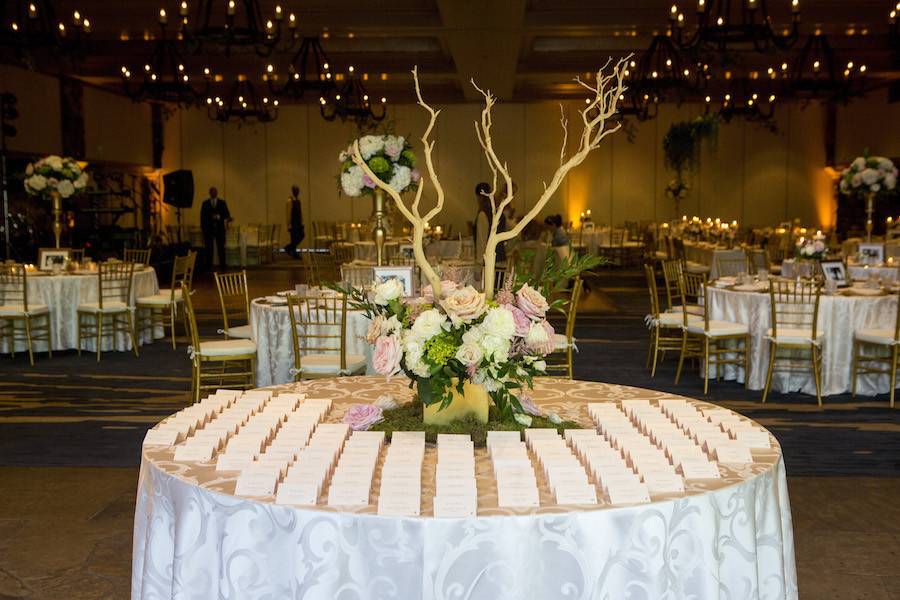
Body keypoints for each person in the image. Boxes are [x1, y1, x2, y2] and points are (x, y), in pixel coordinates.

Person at [473, 182, 507, 263]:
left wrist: (480, 262)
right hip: (501, 259)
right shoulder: (499, 212)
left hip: (489, 263)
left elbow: (482, 241)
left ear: (478, 197)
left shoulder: (483, 214)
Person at [200, 186, 232, 270]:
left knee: (221, 248)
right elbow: (202, 217)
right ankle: (208, 266)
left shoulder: (222, 203)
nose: (213, 193)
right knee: (209, 248)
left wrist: (219, 217)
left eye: (215, 192)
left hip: (219, 229)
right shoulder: (205, 203)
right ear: (209, 193)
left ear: (217, 193)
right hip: (208, 229)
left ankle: (223, 265)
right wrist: (203, 229)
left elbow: (227, 215)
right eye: (212, 192)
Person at [283, 184, 305, 259]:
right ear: (293, 191)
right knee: (293, 238)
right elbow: (288, 213)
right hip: (293, 223)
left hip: (298, 223)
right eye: (296, 190)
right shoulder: (290, 201)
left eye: (298, 190)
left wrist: (302, 221)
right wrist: (288, 224)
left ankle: (288, 248)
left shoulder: (298, 200)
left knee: (302, 235)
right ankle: (294, 254)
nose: (297, 192)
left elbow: (300, 212)